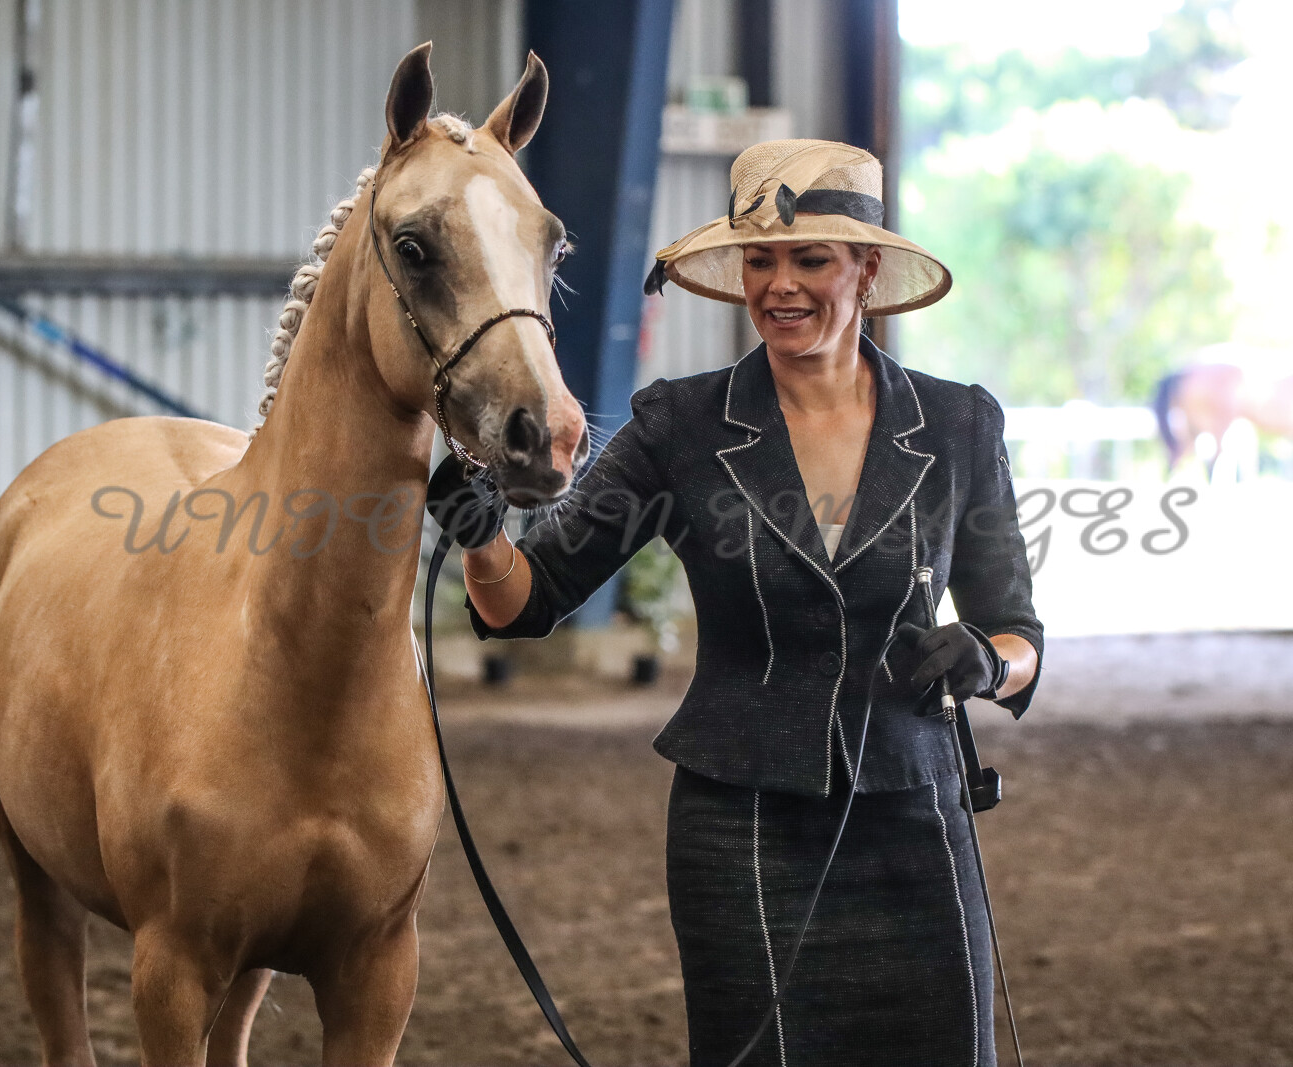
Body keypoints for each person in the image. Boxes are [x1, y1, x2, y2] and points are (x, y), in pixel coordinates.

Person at [428, 138, 1043, 1067]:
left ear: (867, 270)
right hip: (743, 834)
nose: (780, 286)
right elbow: (531, 599)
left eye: (811, 260)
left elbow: (1018, 631)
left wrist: (989, 660)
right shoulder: (678, 425)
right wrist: (482, 539)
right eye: (761, 261)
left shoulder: (959, 424)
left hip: (919, 818)